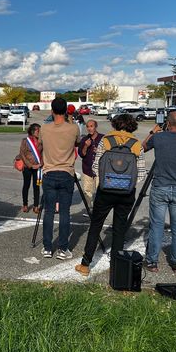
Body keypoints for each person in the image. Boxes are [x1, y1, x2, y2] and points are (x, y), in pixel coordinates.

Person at [75, 114, 146, 276]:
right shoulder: (136, 144)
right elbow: (140, 173)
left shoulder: (106, 140)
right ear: (132, 126)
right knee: (120, 229)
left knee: (96, 225)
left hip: (105, 190)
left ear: (115, 124)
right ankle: (116, 266)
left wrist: (107, 180)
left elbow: (95, 166)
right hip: (126, 193)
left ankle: (86, 264)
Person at [141, 111, 176, 274]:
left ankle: (152, 262)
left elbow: (142, 148)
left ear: (167, 122)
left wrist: (153, 132)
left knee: (157, 225)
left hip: (160, 185)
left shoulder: (159, 137)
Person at [39, 97, 80, 260]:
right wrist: (69, 120)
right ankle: (63, 248)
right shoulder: (73, 128)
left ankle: (47, 247)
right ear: (66, 111)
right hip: (66, 172)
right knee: (64, 212)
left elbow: (41, 144)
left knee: (49, 211)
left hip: (49, 171)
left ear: (52, 110)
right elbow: (77, 143)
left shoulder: (44, 128)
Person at [78, 119, 104, 212]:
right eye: (88, 126)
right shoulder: (85, 139)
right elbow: (81, 154)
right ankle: (89, 209)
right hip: (87, 169)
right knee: (86, 191)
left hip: (99, 170)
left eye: (91, 126)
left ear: (95, 127)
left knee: (100, 192)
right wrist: (86, 146)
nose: (89, 128)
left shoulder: (103, 138)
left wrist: (100, 151)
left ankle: (98, 210)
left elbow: (108, 153)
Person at [19, 123, 43, 214]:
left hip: (38, 168)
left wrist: (41, 164)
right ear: (33, 131)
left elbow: (44, 154)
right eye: (38, 131)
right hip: (27, 167)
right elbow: (22, 154)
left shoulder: (41, 141)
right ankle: (25, 204)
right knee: (26, 185)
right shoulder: (25, 141)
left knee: (36, 186)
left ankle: (36, 206)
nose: (39, 132)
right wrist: (31, 165)